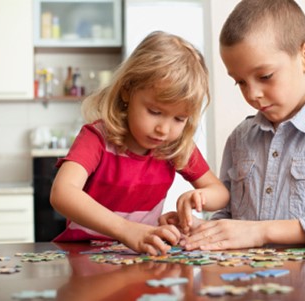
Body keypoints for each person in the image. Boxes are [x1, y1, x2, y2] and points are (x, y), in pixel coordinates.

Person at [161, 0, 305, 250]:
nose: (252, 94)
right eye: (240, 82)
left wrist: (263, 232)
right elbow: (229, 220)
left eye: (265, 76)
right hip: (249, 286)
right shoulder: (239, 138)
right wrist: (198, 229)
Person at [50, 31, 230, 256]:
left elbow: (220, 193)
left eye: (179, 119)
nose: (163, 129)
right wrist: (127, 231)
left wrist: (198, 198)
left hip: (140, 256)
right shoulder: (96, 138)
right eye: (155, 112)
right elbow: (62, 192)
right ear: (127, 90)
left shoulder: (175, 146)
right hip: (83, 255)